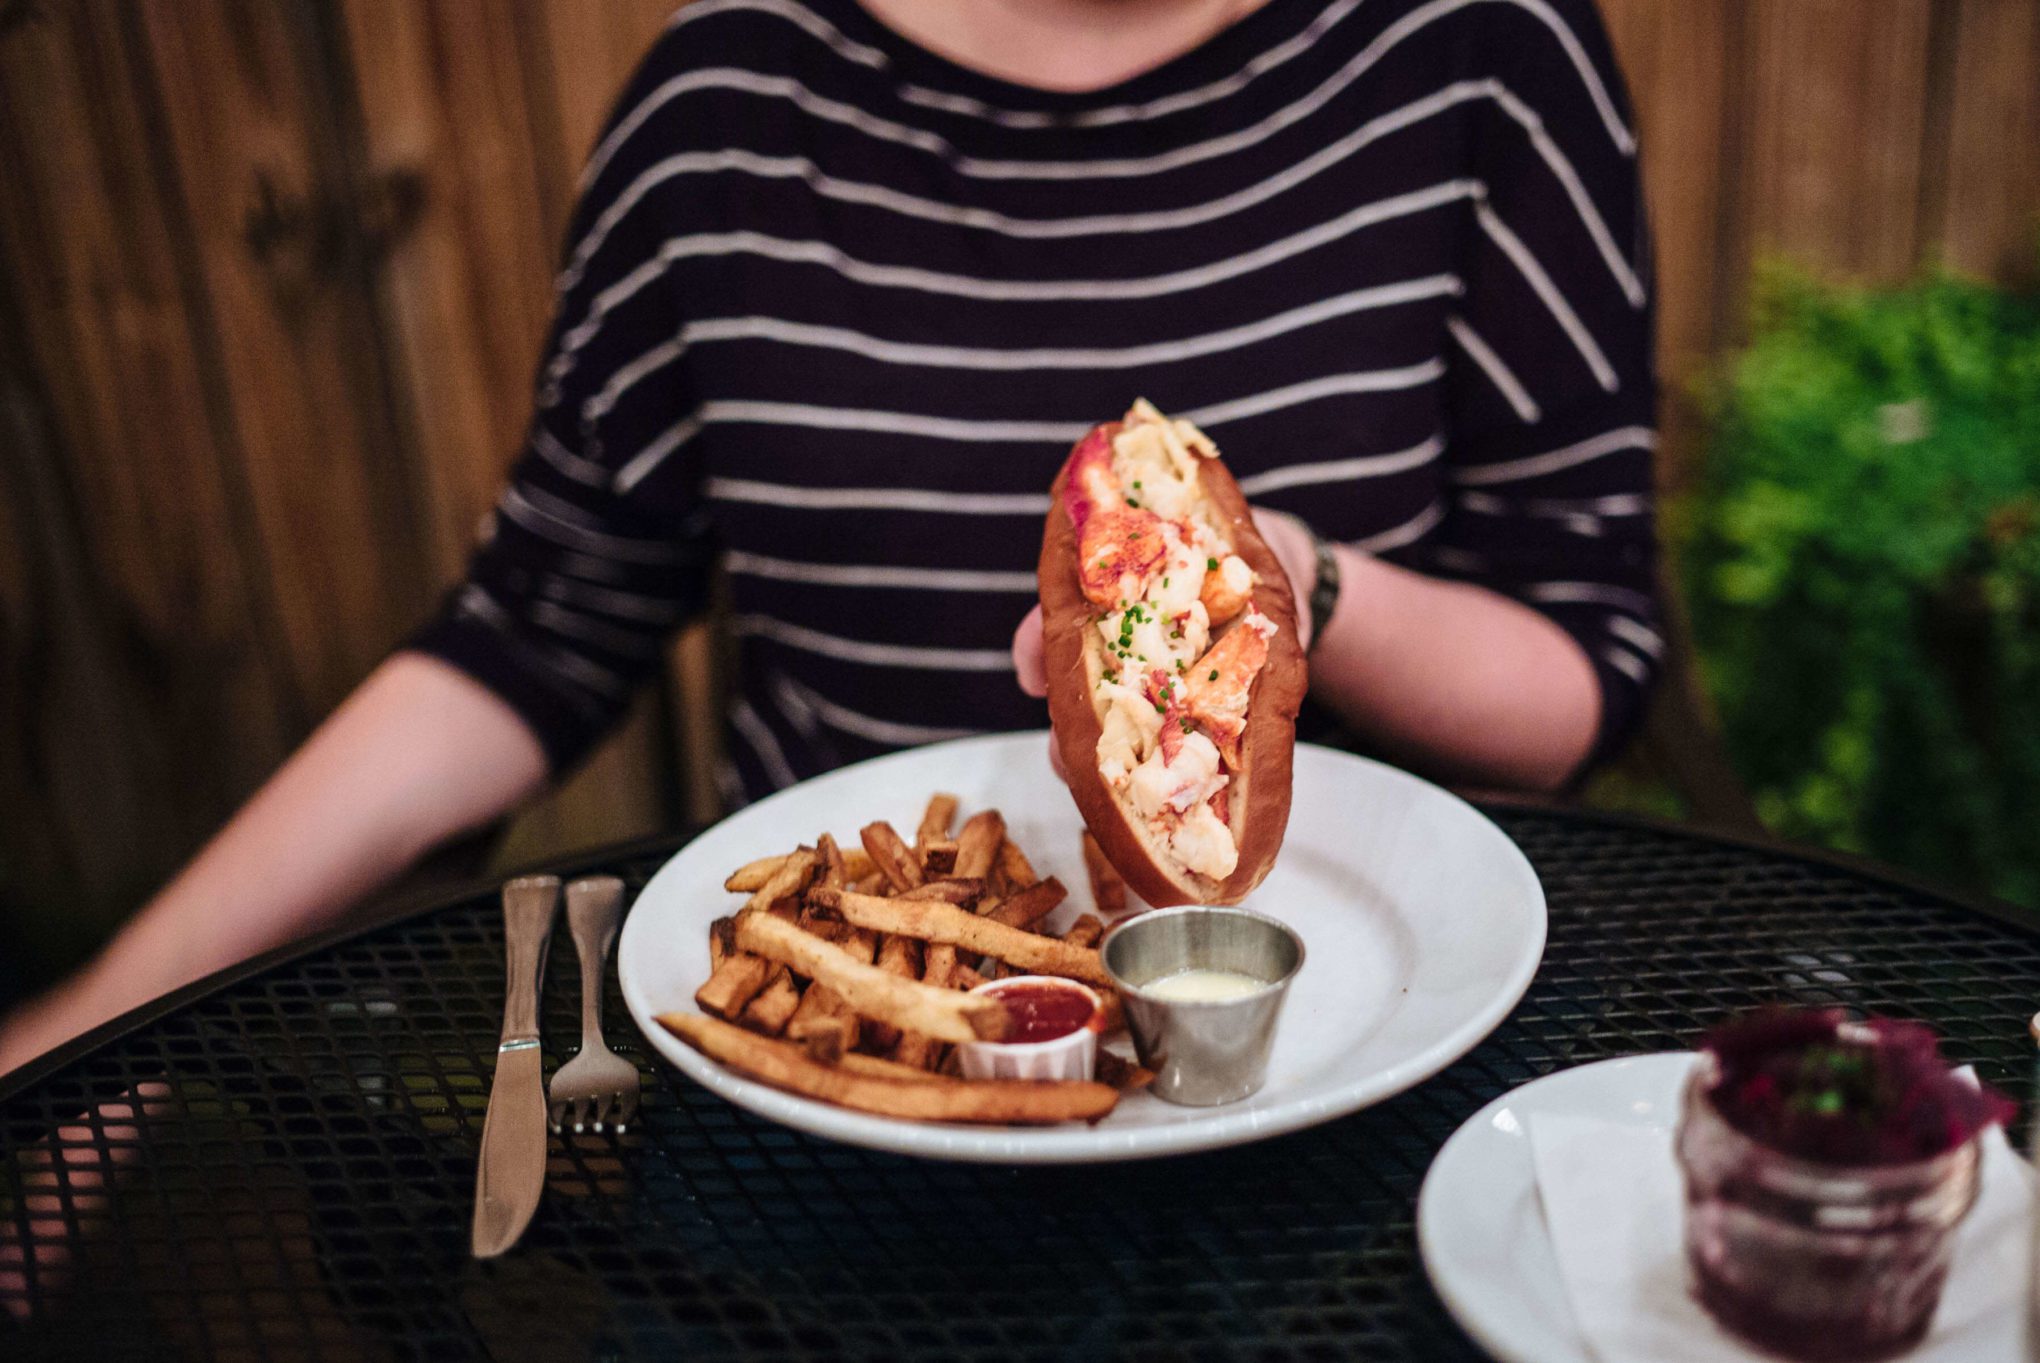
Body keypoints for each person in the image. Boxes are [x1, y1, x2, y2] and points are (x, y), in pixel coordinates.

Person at [0, 0, 1659, 1076]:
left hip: (1357, 1052)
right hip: (845, 1076)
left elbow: (1586, 669)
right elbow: (535, 627)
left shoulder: (1484, 54)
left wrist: (1303, 589)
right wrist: (97, 1034)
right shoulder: (722, 106)